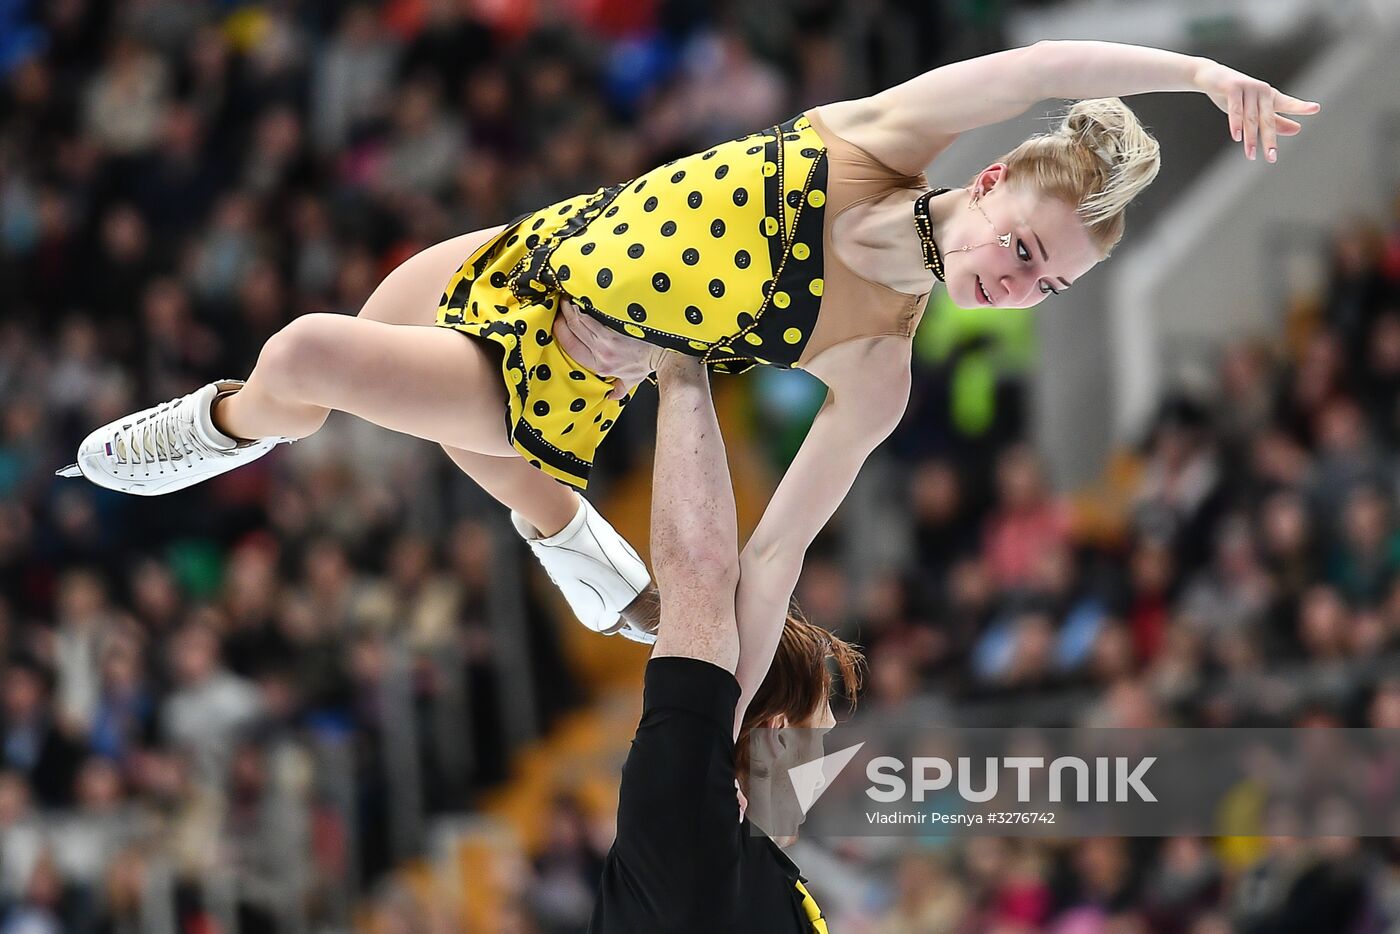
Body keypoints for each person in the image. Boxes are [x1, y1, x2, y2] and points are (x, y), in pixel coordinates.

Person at [61, 42, 1320, 666]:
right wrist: (1203, 74)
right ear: (987, 182)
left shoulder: (877, 363)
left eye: (1051, 284)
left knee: (307, 360)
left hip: (554, 365)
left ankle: (221, 425)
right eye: (1027, 245)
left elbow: (774, 552)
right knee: (480, 468)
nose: (1022, 280)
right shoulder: (876, 138)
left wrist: (712, 709)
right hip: (521, 247)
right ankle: (574, 551)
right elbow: (1052, 64)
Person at [591, 349, 860, 932]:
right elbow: (706, 577)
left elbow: (767, 559)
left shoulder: (736, 862)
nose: (832, 747)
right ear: (778, 734)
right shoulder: (690, 838)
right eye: (823, 724)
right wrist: (679, 355)